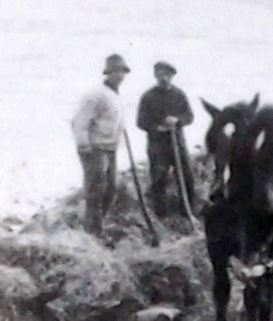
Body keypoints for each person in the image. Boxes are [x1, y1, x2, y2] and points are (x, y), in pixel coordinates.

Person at [72, 54, 128, 237]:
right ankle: (93, 231)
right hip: (95, 148)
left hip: (110, 149)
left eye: (122, 72)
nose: (120, 75)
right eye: (116, 71)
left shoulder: (115, 95)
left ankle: (97, 224)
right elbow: (80, 121)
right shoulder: (96, 95)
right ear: (108, 73)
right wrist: (83, 145)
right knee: (96, 189)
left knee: (111, 189)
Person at [137, 60, 196, 219]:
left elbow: (190, 116)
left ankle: (188, 213)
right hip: (157, 145)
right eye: (161, 74)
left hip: (177, 143)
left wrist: (177, 121)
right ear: (156, 75)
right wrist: (157, 127)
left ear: (172, 76)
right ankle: (161, 216)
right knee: (159, 179)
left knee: (186, 177)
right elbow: (141, 122)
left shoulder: (179, 95)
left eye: (168, 74)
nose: (164, 78)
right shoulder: (148, 96)